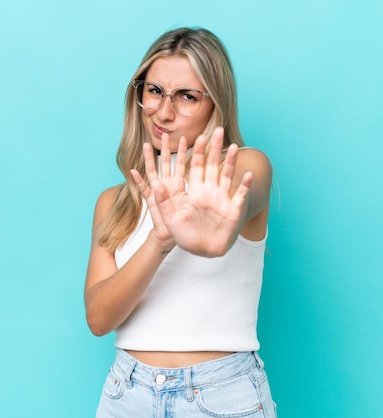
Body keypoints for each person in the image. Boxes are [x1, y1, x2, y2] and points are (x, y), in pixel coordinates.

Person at [85, 27, 276, 417]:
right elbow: (99, 318)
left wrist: (211, 227)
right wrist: (159, 240)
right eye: (154, 90)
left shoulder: (244, 167)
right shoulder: (114, 203)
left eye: (187, 96)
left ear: (215, 104)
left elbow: (228, 220)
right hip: (128, 394)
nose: (164, 111)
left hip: (221, 395)